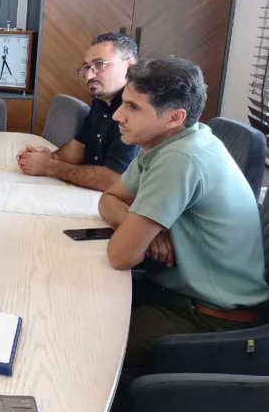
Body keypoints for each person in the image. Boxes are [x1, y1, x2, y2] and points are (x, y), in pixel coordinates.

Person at [98, 57, 268, 366]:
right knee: (76, 297)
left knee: (85, 340)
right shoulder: (170, 142)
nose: (118, 115)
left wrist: (137, 231)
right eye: (123, 102)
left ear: (175, 117)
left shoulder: (180, 158)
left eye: (134, 108)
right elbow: (109, 198)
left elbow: (120, 256)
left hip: (210, 318)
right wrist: (143, 228)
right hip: (176, 293)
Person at [17, 32, 140, 191]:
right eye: (87, 67)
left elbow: (113, 180)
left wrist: (49, 166)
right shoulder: (101, 100)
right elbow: (79, 146)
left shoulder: (138, 110)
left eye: (100, 64)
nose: (89, 75)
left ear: (130, 66)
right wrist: (48, 156)